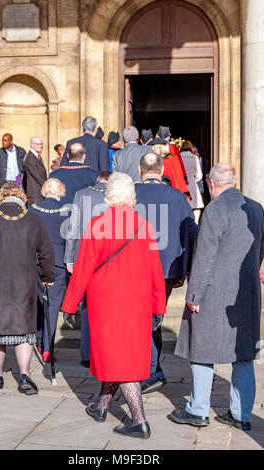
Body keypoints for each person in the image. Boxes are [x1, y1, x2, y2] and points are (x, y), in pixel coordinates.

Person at [62, 172, 166, 439]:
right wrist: (159, 306)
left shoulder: (98, 225)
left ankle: (139, 420)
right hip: (137, 302)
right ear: (132, 195)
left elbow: (82, 270)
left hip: (106, 303)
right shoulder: (144, 225)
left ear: (108, 195)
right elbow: (156, 271)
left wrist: (70, 304)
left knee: (120, 359)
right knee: (120, 354)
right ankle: (101, 406)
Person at [170, 163, 264, 431]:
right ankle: (241, 415)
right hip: (246, 293)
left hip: (213, 291)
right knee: (243, 354)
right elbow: (260, 249)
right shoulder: (256, 208)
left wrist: (194, 293)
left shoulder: (214, 209)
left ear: (210, 184)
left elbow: (204, 256)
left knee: (201, 350)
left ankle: (198, 411)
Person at [0, 183, 55, 394]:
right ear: (22, 198)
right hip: (24, 285)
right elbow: (46, 253)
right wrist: (47, 277)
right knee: (24, 333)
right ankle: (24, 375)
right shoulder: (33, 220)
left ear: (0, 198)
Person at [135, 154, 197, 393]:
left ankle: (151, 368)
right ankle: (152, 367)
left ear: (141, 171)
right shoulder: (177, 197)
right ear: (161, 171)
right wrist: (188, 267)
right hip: (167, 267)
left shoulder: (130, 194)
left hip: (137, 266)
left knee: (145, 317)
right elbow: (191, 231)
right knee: (154, 315)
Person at [64, 170, 111, 367]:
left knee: (86, 306)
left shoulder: (82, 194)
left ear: (97, 180)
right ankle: (105, 352)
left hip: (84, 255)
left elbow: (73, 228)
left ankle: (86, 354)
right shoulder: (114, 195)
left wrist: (69, 258)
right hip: (108, 257)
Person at [29, 178, 70, 363]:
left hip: (35, 261)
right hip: (58, 262)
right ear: (60, 191)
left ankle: (38, 340)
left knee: (39, 302)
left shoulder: (33, 210)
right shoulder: (67, 212)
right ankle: (47, 347)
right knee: (53, 305)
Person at [180, 140, 204, 223]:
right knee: (196, 205)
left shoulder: (177, 157)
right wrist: (193, 179)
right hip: (192, 183)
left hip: (180, 184)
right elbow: (199, 175)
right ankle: (196, 222)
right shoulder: (194, 158)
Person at [23, 137, 47, 206]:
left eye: (42, 144)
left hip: (39, 194)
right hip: (35, 195)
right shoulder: (30, 158)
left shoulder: (37, 157)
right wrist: (48, 186)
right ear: (32, 145)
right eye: (38, 144)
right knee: (35, 215)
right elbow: (37, 176)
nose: (41, 146)